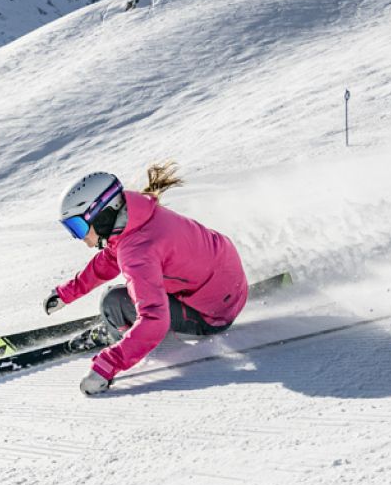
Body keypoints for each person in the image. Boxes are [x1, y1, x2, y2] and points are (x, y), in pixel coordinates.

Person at [46, 163, 249, 396]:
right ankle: (134, 330)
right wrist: (66, 293)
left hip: (211, 316)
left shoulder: (138, 251)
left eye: (78, 227)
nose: (79, 238)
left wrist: (106, 367)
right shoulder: (137, 215)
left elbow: (155, 319)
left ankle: (122, 338)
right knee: (137, 290)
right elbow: (109, 259)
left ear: (101, 213)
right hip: (227, 285)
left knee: (113, 302)